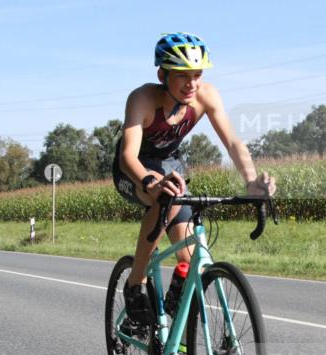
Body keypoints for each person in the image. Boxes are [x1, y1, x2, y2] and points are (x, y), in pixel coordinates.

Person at [113, 32, 276, 323]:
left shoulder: (206, 96)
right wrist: (151, 182)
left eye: (197, 74)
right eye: (182, 76)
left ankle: (177, 333)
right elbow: (128, 157)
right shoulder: (142, 99)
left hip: (170, 166)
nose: (192, 84)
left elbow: (233, 143)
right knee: (167, 198)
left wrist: (250, 180)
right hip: (134, 169)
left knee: (192, 263)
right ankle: (135, 284)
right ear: (162, 74)